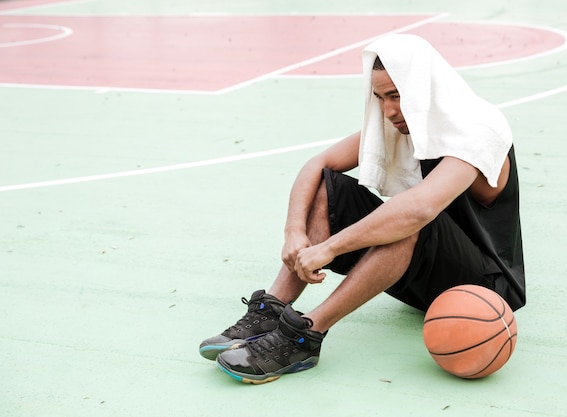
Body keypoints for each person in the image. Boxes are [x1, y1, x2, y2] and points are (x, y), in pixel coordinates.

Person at [198, 34, 525, 384]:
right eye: (380, 97)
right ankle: (273, 308)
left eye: (397, 96)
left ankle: (306, 336)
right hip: (426, 279)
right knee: (328, 186)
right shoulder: (401, 125)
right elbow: (318, 163)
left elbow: (419, 209)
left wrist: (329, 248)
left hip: (484, 288)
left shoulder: (480, 128)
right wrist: (294, 232)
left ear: (425, 88)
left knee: (407, 218)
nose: (388, 111)